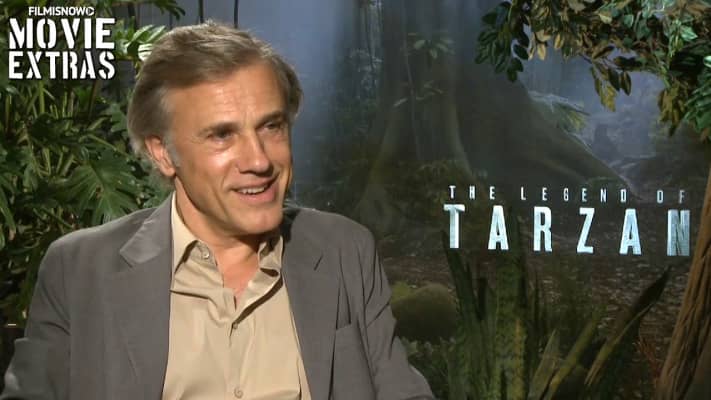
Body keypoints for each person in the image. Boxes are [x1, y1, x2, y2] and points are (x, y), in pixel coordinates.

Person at [1, 22, 433, 400]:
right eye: (222, 135)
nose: (259, 160)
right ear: (163, 153)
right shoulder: (79, 270)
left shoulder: (344, 251)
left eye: (271, 126)